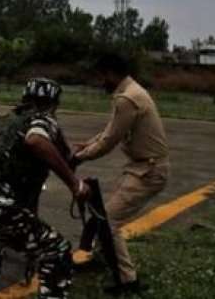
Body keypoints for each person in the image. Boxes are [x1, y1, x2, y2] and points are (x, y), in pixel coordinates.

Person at [0, 78, 88, 299]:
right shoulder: (42, 118)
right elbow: (36, 141)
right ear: (54, 103)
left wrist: (72, 158)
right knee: (57, 250)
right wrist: (75, 184)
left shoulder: (8, 119)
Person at [73, 52, 170, 296]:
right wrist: (87, 146)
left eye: (101, 77)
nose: (99, 82)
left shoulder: (128, 98)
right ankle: (102, 257)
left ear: (111, 74)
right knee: (104, 214)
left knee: (110, 222)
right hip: (142, 168)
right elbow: (109, 132)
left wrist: (78, 158)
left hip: (148, 171)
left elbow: (108, 142)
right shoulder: (130, 92)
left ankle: (128, 281)